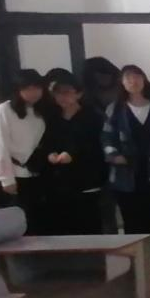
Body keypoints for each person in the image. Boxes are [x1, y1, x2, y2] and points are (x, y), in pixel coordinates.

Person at [103, 65, 150, 268]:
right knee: (132, 217)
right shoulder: (115, 108)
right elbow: (106, 137)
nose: (133, 81)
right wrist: (114, 155)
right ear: (122, 83)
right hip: (126, 171)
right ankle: (138, 262)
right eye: (128, 78)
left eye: (137, 76)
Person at [37, 71, 106, 235]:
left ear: (78, 93)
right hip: (59, 181)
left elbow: (97, 146)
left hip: (87, 179)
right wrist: (50, 154)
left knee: (88, 225)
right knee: (64, 226)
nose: (62, 97)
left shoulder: (93, 116)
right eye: (58, 93)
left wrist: (73, 154)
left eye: (67, 92)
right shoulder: (52, 117)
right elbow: (46, 143)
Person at [0, 69, 49, 234]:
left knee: (35, 226)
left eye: (37, 88)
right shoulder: (4, 110)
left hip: (34, 176)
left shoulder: (39, 112)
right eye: (27, 88)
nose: (33, 92)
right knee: (10, 228)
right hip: (13, 176)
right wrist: (6, 179)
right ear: (17, 89)